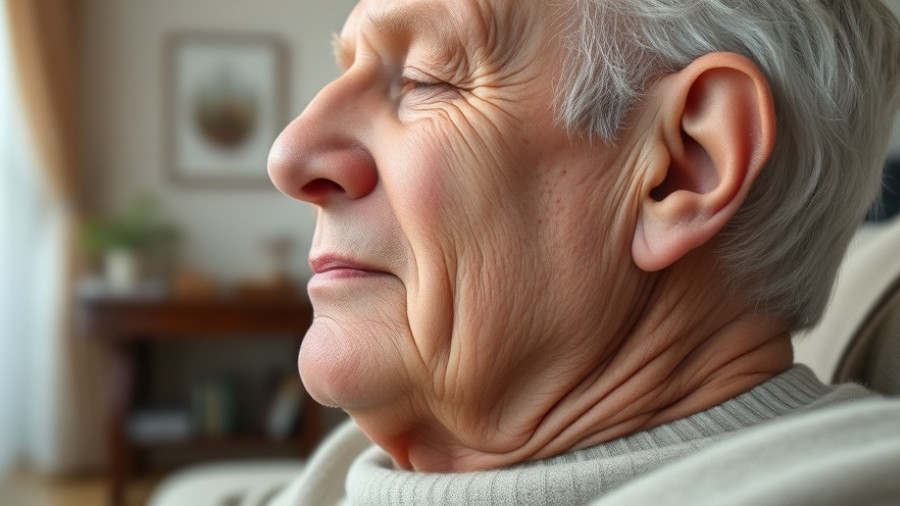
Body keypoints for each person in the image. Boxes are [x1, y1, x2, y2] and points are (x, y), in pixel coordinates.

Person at [265, 0, 900, 504]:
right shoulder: (358, 461)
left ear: (682, 167)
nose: (289, 156)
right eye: (344, 71)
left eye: (424, 80)